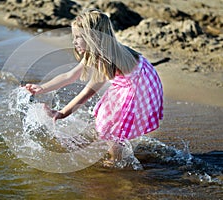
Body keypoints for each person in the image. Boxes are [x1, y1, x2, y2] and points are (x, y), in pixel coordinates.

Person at [25, 9, 163, 165]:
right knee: (107, 121)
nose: (74, 42)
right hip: (145, 77)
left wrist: (63, 113)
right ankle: (115, 147)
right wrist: (42, 88)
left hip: (138, 87)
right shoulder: (103, 50)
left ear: (93, 38)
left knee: (109, 126)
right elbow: (70, 76)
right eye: (74, 37)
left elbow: (88, 91)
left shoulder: (105, 57)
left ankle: (115, 160)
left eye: (78, 37)